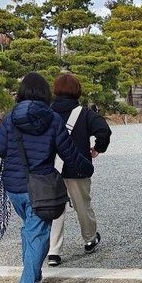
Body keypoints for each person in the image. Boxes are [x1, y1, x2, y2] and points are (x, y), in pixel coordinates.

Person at [0, 72, 93, 283]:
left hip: (14, 187)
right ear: (46, 93)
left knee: (30, 230)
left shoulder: (10, 118)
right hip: (42, 188)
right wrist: (87, 167)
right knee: (37, 234)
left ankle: (35, 275)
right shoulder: (53, 119)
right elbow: (68, 153)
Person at [47, 73, 112, 267]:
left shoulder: (47, 112)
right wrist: (98, 148)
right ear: (77, 91)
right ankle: (90, 239)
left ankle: (53, 251)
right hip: (77, 166)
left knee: (55, 208)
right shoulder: (84, 113)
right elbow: (104, 131)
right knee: (83, 206)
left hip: (52, 168)